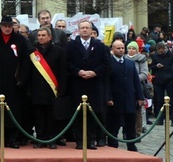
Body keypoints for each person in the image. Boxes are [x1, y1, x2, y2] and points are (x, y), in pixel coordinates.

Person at [0, 15, 31, 148]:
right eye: (5, 26)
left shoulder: (20, 39)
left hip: (14, 82)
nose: (7, 29)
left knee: (14, 110)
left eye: (9, 26)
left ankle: (13, 138)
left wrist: (22, 79)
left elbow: (25, 61)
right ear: (0, 26)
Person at [65, 19, 110, 149]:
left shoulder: (100, 46)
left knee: (93, 113)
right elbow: (67, 63)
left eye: (87, 28)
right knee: (78, 113)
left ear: (91, 30)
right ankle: (79, 140)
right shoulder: (71, 45)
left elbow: (106, 64)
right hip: (77, 84)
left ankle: (91, 140)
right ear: (78, 30)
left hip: (94, 85)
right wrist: (78, 72)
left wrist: (94, 72)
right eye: (82, 28)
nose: (85, 30)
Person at [25, 26, 67, 149]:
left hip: (53, 90)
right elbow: (27, 71)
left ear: (50, 37)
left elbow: (63, 72)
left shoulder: (59, 51)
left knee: (52, 117)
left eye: (44, 35)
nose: (41, 38)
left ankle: (52, 139)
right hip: (36, 90)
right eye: (39, 35)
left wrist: (62, 89)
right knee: (38, 117)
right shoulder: (32, 52)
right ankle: (41, 139)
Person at [106, 39, 144, 151]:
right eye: (118, 48)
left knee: (130, 125)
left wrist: (140, 97)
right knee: (114, 125)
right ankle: (113, 146)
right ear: (112, 49)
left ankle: (131, 145)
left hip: (129, 99)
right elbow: (106, 83)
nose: (121, 50)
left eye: (122, 48)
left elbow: (136, 81)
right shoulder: (109, 63)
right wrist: (108, 97)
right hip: (115, 100)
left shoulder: (130, 63)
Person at [125, 42, 150, 135]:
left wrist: (134, 79)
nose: (131, 50)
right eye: (130, 48)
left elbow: (144, 73)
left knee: (138, 110)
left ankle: (137, 131)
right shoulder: (124, 59)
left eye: (133, 48)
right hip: (126, 86)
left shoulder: (141, 59)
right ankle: (126, 131)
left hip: (138, 86)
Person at [150, 41, 173, 118]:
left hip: (169, 79)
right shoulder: (155, 56)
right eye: (159, 51)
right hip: (158, 80)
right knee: (159, 99)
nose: (160, 52)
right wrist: (156, 66)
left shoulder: (170, 55)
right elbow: (151, 66)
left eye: (162, 50)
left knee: (171, 99)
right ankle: (159, 117)